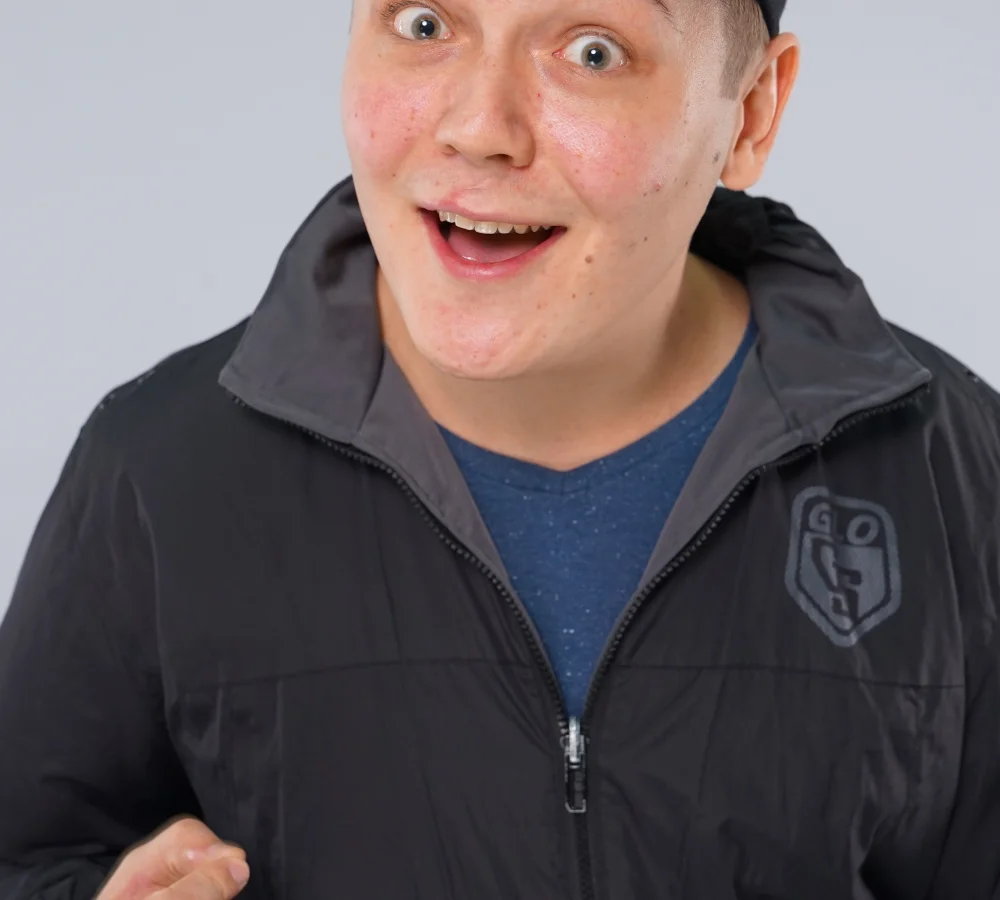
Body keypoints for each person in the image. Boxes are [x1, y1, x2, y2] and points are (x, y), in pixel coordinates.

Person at [1, 0, 998, 897]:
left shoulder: (953, 468)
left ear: (751, 115)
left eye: (593, 51)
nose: (479, 127)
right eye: (424, 24)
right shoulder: (160, 470)